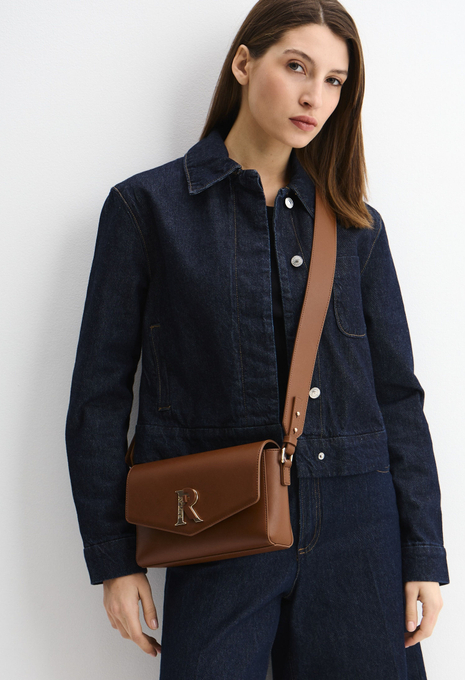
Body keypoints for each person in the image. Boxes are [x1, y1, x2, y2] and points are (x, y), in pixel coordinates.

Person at [65, 0, 450, 677]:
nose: (314, 96)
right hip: (215, 527)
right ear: (244, 63)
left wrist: (422, 552)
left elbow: (396, 396)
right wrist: (114, 560)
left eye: (334, 81)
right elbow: (99, 397)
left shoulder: (356, 226)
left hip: (359, 532)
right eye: (296, 67)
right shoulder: (147, 209)